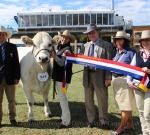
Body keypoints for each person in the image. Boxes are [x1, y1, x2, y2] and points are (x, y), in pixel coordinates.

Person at [81, 24, 113, 129]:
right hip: (87, 75)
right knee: (88, 100)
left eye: (93, 32)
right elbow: (81, 59)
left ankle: (104, 121)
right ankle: (91, 121)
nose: (91, 34)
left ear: (98, 32)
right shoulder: (85, 46)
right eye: (89, 33)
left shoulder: (106, 45)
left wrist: (108, 77)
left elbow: (109, 63)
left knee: (102, 100)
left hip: (101, 76)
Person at [111, 31, 136, 135]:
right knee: (124, 105)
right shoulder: (116, 52)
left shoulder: (131, 52)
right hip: (116, 81)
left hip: (125, 81)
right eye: (117, 39)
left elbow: (135, 68)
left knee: (125, 106)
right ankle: (130, 124)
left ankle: (121, 128)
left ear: (125, 41)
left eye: (121, 39)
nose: (118, 42)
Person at [51, 30, 75, 129]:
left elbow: (62, 63)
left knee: (62, 98)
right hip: (60, 77)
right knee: (61, 98)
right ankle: (63, 117)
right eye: (63, 37)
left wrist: (54, 56)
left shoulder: (67, 50)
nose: (63, 39)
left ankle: (66, 121)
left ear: (69, 39)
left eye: (66, 38)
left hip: (63, 78)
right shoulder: (61, 48)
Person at [127, 30, 150, 135]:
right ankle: (145, 132)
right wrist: (129, 81)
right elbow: (131, 69)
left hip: (149, 88)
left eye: (148, 40)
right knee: (141, 112)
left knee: (147, 114)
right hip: (138, 87)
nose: (145, 42)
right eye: (143, 40)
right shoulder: (137, 54)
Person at [0, 26, 20, 126]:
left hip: (10, 78)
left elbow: (16, 63)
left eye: (3, 34)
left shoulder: (12, 47)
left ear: (6, 35)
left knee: (11, 100)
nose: (1, 36)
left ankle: (12, 118)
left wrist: (17, 77)